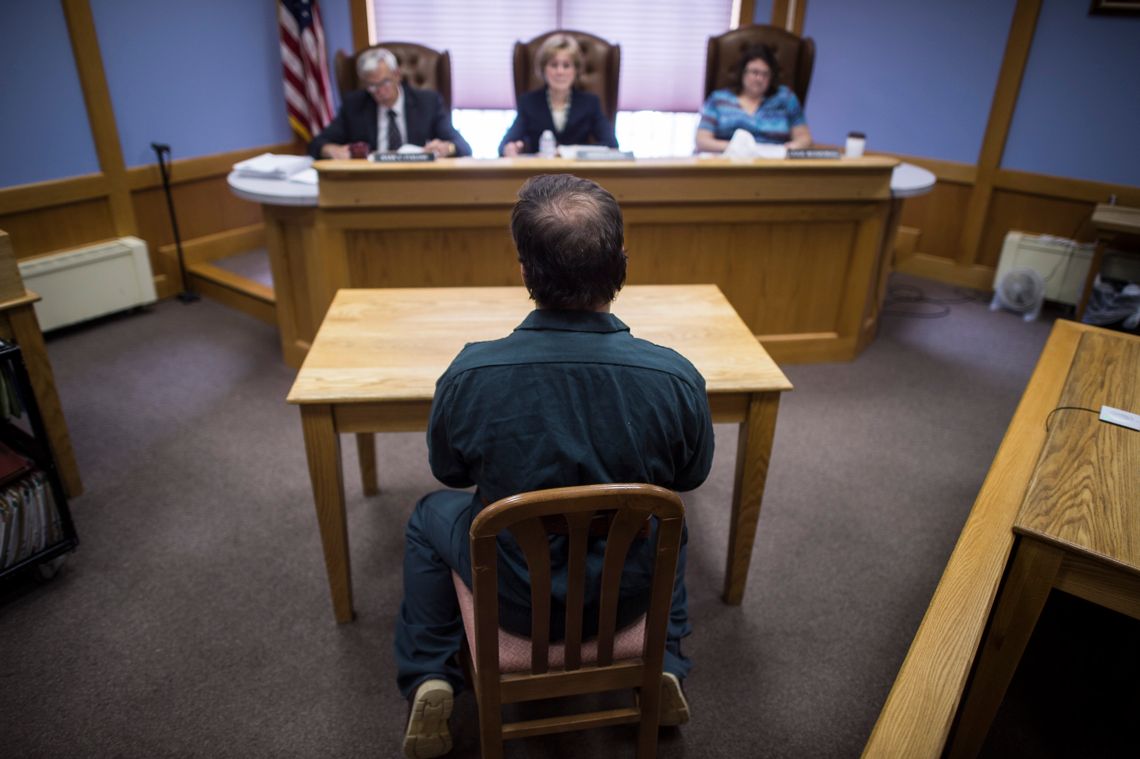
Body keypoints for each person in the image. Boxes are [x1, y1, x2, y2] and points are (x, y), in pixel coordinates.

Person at [395, 174, 714, 759]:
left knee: (426, 515)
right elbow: (690, 476)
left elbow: (449, 472)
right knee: (670, 516)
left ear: (524, 270)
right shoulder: (675, 376)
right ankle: (663, 661)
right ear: (622, 265)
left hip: (514, 598)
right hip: (626, 598)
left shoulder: (470, 374)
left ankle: (431, 676)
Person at [308, 48, 471, 159]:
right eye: (372, 85)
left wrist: (448, 148)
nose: (379, 90)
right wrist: (329, 149)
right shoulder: (355, 105)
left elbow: (463, 147)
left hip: (418, 180)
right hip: (370, 184)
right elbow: (316, 144)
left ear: (397, 75)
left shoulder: (428, 102)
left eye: (384, 82)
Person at [499, 35, 618, 156]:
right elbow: (504, 146)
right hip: (540, 172)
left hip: (578, 173)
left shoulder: (590, 103)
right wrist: (509, 149)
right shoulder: (529, 102)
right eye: (554, 65)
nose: (560, 72)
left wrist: (571, 151)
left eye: (566, 65)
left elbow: (611, 145)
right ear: (543, 69)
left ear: (576, 70)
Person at [695, 44, 812, 153]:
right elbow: (702, 140)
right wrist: (740, 149)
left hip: (773, 165)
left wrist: (784, 150)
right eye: (754, 72)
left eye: (765, 74)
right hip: (728, 163)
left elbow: (804, 138)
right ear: (743, 72)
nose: (759, 79)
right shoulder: (719, 99)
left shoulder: (786, 97)